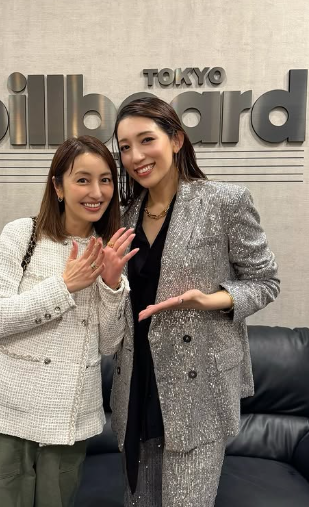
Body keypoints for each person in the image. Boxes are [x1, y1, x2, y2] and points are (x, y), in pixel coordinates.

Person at [110, 97, 280, 507]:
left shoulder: (224, 201)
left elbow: (265, 281)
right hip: (138, 381)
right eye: (125, 147)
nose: (135, 156)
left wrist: (213, 300)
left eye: (146, 140)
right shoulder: (124, 215)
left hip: (198, 387)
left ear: (176, 140)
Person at [0, 135, 138, 507]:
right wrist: (63, 286)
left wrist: (111, 285)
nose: (96, 192)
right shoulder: (22, 234)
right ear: (58, 186)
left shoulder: (109, 250)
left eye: (106, 180)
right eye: (83, 179)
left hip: (66, 425)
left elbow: (109, 346)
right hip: (3, 417)